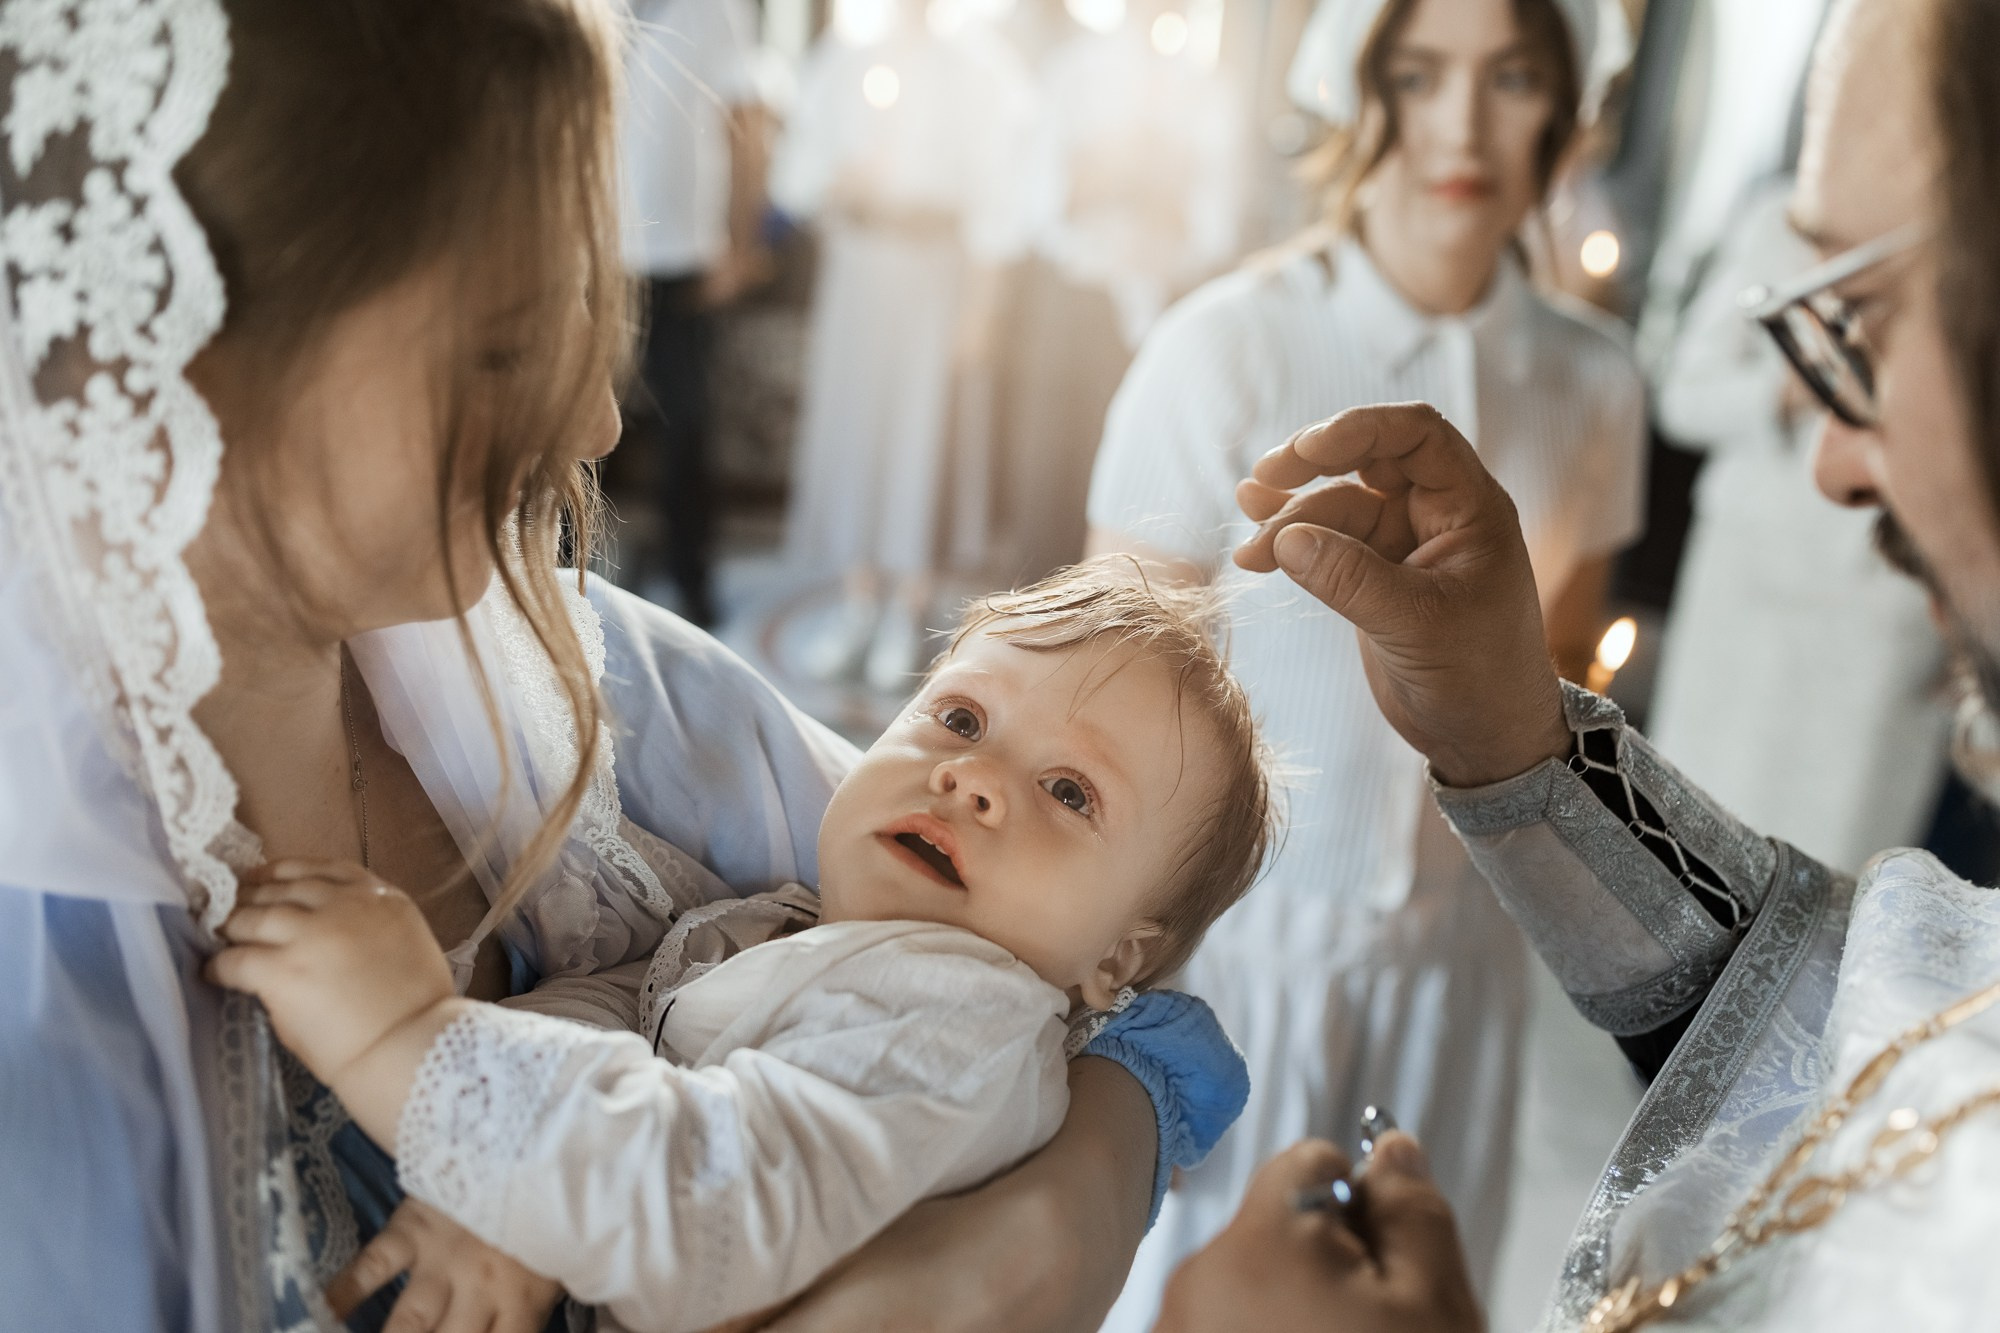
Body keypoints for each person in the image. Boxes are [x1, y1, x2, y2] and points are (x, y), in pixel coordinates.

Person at [0, 2, 1244, 1330]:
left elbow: (1137, 968)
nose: (595, 421)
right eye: (504, 347)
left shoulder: (613, 687)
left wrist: (1047, 1226)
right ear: (182, 360)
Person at [1154, 0, 2000, 1326]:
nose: (1832, 458)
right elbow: (1834, 1016)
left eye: (1862, 318)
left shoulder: (1585, 380)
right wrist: (1514, 740)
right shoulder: (1229, 340)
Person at [210, 560, 1274, 1332]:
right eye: (959, 718)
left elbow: (705, 1207)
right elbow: (621, 1013)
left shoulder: (964, 1020)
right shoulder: (783, 923)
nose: (974, 776)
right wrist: (493, 1183)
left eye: (1069, 791)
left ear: (1114, 962)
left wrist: (409, 1037)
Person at [1085, 0, 1639, 1318]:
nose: (1463, 125)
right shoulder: (1226, 343)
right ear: (1360, 86)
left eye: (1511, 78)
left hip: (1461, 965)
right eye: (1421, 74)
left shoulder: (1595, 381)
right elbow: (1101, 693)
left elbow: (1558, 683)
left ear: (1564, 108)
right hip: (1236, 957)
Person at [1650, 175, 1950, 873]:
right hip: (1744, 582)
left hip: (1884, 609)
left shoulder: (1969, 243)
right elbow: (1683, 396)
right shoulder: (1780, 220)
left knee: (1835, 859)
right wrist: (1789, 390)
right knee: (1682, 834)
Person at [771, 0, 1038, 690]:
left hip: (934, 272)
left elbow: (1001, 196)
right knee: (858, 434)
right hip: (860, 266)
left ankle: (909, 608)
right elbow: (795, 176)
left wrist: (982, 306)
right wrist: (840, 176)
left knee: (924, 436)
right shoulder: (843, 60)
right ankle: (859, 601)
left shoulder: (979, 69)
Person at [989, 0, 1247, 585]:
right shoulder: (1075, 71)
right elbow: (1035, 201)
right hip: (1077, 301)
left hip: (1169, 303)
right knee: (1053, 470)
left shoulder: (1209, 89)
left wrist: (1164, 191)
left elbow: (1219, 222)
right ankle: (1040, 610)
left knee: (1153, 480)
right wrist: (1104, 178)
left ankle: (1123, 612)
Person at [610, 0, 774, 627]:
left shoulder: (716, 10)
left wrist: (744, 244)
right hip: (599, 258)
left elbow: (747, 124)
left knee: (687, 428)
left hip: (684, 260)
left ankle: (690, 582)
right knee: (577, 432)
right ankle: (567, 584)